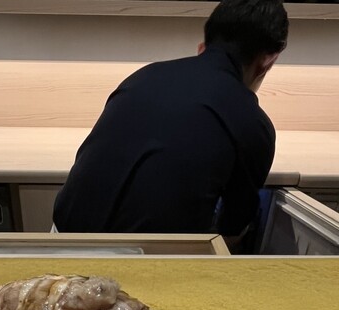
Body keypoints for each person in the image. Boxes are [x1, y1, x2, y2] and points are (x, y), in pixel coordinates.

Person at [52, 0, 289, 247]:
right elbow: (231, 231)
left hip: (60, 239)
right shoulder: (253, 123)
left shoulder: (144, 76)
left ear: (204, 45)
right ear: (268, 61)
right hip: (145, 258)